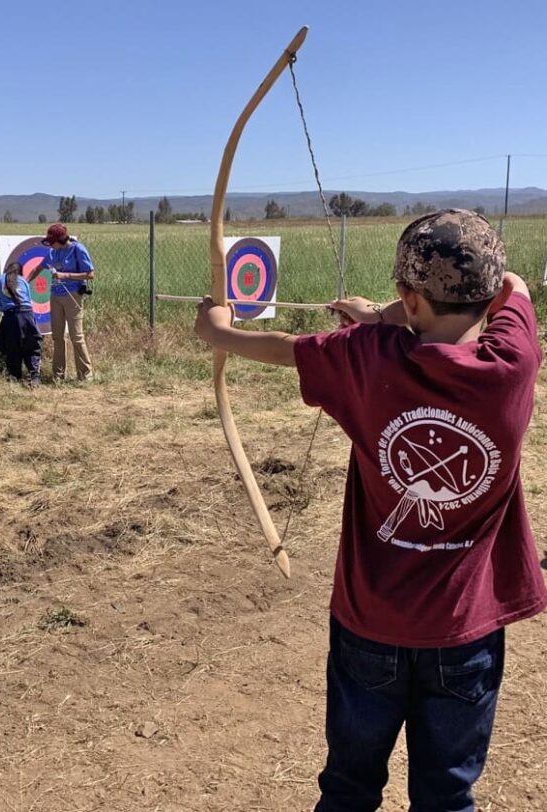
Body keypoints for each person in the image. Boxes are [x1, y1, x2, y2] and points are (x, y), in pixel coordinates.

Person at [194, 208, 547, 811]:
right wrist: (390, 314)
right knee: (447, 795)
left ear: (409, 299)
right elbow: (512, 288)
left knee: (350, 789)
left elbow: (285, 349)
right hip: (467, 635)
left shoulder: (368, 356)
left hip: (370, 626)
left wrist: (218, 331)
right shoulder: (515, 359)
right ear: (485, 298)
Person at [42, 223, 94, 381]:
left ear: (62, 239)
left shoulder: (78, 249)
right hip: (55, 295)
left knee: (76, 336)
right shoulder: (53, 251)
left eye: (53, 241)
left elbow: (90, 274)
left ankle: (85, 375)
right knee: (57, 336)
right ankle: (58, 375)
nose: (51, 245)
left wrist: (66, 276)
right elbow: (42, 265)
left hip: (72, 295)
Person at [0, 261, 42, 385]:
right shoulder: (23, 281)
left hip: (11, 316)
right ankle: (34, 376)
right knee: (31, 345)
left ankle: (14, 375)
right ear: (20, 272)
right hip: (28, 315)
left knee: (9, 345)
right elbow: (29, 300)